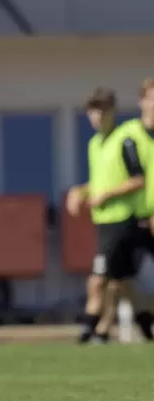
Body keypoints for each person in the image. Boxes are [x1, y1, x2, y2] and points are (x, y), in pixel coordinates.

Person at [67, 88, 146, 344]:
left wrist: (107, 196)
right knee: (121, 282)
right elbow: (100, 182)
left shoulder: (125, 139)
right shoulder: (94, 144)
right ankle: (145, 326)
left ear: (112, 112)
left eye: (101, 110)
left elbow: (138, 179)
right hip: (103, 221)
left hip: (122, 220)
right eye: (92, 111)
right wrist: (82, 191)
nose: (96, 116)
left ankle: (87, 332)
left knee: (98, 278)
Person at [96, 80, 154, 342]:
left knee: (118, 279)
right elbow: (118, 178)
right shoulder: (127, 136)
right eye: (151, 98)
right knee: (117, 278)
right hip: (134, 220)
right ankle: (105, 328)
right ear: (142, 101)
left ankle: (103, 329)